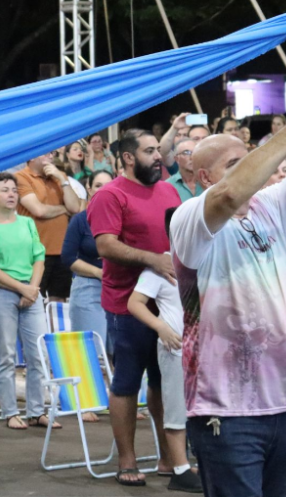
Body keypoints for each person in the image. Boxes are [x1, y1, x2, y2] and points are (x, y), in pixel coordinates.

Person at [172, 72, 286, 496]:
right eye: (236, 165)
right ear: (204, 177)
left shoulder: (269, 206)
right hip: (226, 409)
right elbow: (227, 197)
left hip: (284, 402)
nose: (259, 171)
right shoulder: (191, 216)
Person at [86, 129, 181, 486]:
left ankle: (168, 457)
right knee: (127, 382)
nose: (159, 156)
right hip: (127, 305)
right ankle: (127, 461)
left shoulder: (168, 189)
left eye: (159, 149)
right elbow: (106, 246)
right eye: (150, 151)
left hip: (168, 303)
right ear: (128, 157)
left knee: (164, 383)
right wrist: (152, 260)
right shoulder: (109, 195)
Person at [0, 173, 55, 431]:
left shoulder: (27, 223)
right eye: (5, 190)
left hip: (31, 293)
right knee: (5, 355)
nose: (12, 194)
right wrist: (22, 288)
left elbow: (39, 257)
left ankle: (36, 411)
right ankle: (10, 412)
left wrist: (32, 289)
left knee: (38, 354)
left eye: (14, 190)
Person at [127, 246, 203, 493]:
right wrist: (160, 327)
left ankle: (201, 465)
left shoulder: (206, 258)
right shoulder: (161, 266)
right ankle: (179, 469)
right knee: (176, 410)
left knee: (203, 411)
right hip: (176, 348)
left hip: (208, 351)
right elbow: (134, 303)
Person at [62, 170, 113, 365]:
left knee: (120, 355)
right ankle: (91, 396)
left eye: (108, 184)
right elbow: (68, 257)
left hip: (119, 290)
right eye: (99, 185)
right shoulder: (80, 220)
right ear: (89, 189)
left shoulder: (123, 217)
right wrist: (99, 272)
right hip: (88, 289)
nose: (104, 190)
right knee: (92, 357)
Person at [15, 151, 82, 303]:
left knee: (59, 300)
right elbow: (39, 210)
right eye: (46, 153)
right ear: (31, 156)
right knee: (34, 299)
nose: (51, 157)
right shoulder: (21, 177)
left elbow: (75, 207)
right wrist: (63, 209)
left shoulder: (59, 176)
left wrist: (62, 179)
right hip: (34, 252)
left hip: (61, 251)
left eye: (53, 153)